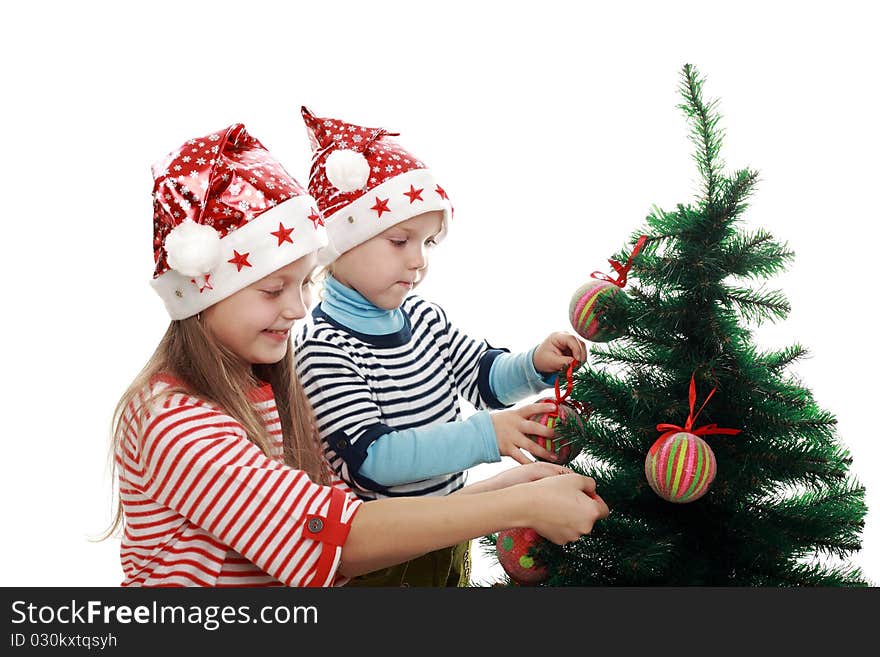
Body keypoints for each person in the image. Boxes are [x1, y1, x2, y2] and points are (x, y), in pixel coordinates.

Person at [108, 123, 608, 587]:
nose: (300, 308)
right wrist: (517, 504)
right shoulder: (172, 420)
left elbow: (337, 518)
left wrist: (506, 492)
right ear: (203, 293)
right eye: (273, 289)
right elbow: (335, 542)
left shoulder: (257, 387)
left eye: (303, 283)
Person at [294, 107, 591, 586]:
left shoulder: (425, 318)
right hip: (384, 561)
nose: (418, 260)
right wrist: (485, 436)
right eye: (399, 240)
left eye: (429, 243)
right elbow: (375, 461)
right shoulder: (322, 350)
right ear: (339, 243)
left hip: (450, 535)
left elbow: (485, 377)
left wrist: (535, 364)